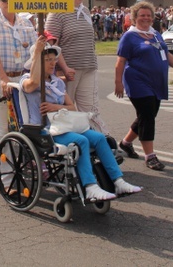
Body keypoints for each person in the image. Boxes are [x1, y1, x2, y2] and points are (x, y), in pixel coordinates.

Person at [20, 36, 142, 201]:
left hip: (64, 126)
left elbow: (72, 107)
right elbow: (33, 83)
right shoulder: (26, 80)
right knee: (81, 141)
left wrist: (56, 107)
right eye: (47, 59)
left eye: (53, 59)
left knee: (99, 138)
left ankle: (118, 181)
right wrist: (36, 54)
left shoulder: (57, 82)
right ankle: (90, 186)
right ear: (36, 62)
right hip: (43, 130)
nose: (52, 63)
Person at [114, 1, 173, 171]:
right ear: (135, 17)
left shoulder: (156, 34)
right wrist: (118, 83)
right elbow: (120, 61)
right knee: (147, 116)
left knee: (148, 115)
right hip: (137, 81)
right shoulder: (129, 37)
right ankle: (150, 156)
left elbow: (166, 54)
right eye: (142, 15)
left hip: (156, 82)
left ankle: (126, 143)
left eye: (149, 15)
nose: (146, 18)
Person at [0, 0, 37, 182]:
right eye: (5, 0)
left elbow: (34, 51)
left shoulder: (25, 23)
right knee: (3, 129)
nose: (8, 3)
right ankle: (5, 177)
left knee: (21, 127)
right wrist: (4, 79)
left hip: (20, 79)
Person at [45, 0, 108, 134]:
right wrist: (64, 68)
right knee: (67, 110)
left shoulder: (85, 11)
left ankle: (103, 140)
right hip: (69, 70)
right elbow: (52, 44)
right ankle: (69, 142)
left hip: (88, 67)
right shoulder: (57, 11)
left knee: (90, 109)